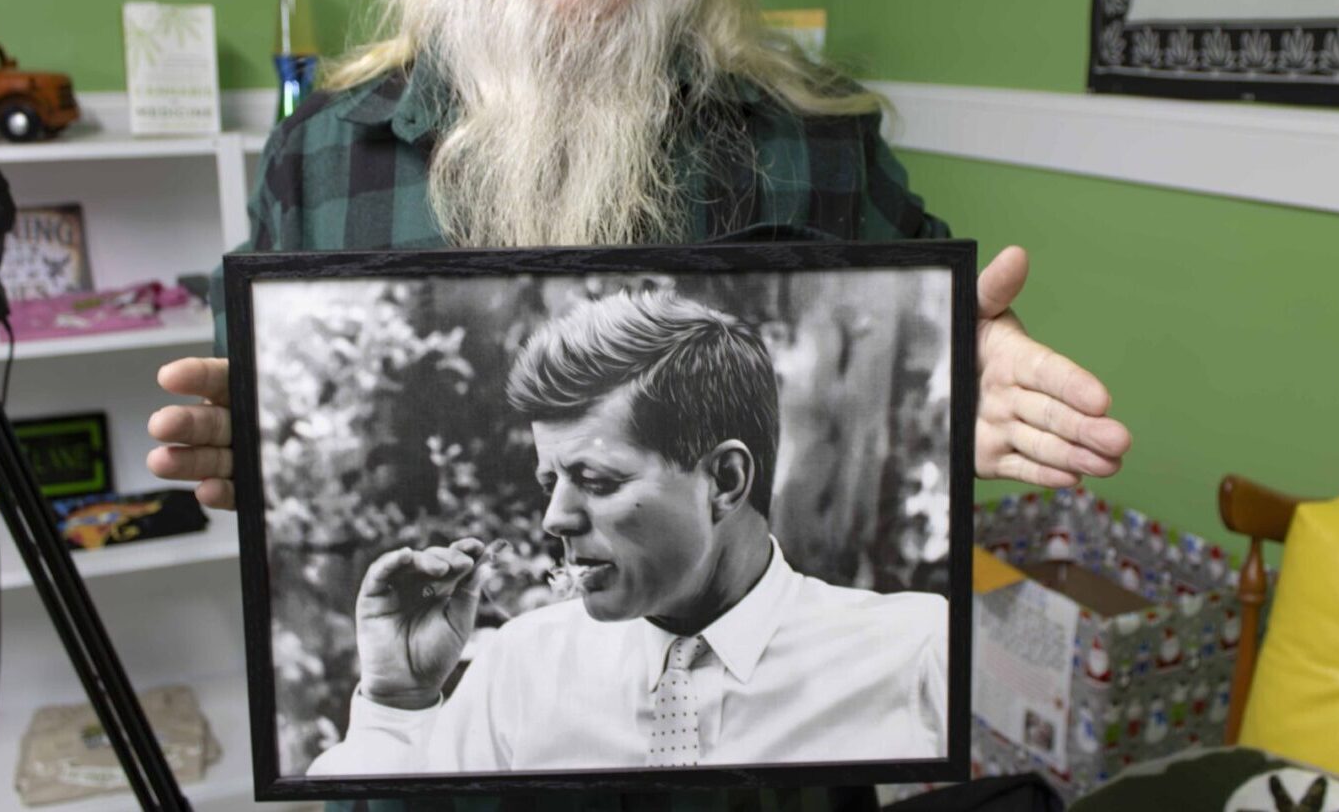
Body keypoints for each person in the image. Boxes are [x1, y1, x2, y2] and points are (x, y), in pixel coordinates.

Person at [146, 0, 1131, 804]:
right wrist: (253, 451)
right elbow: (248, 406)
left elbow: (940, 325)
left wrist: (963, 367)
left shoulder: (813, 134)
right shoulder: (328, 151)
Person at [308, 290, 950, 774]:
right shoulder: (519, 668)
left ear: (724, 480)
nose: (553, 518)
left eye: (595, 478)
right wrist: (398, 703)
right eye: (549, 482)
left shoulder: (919, 654)